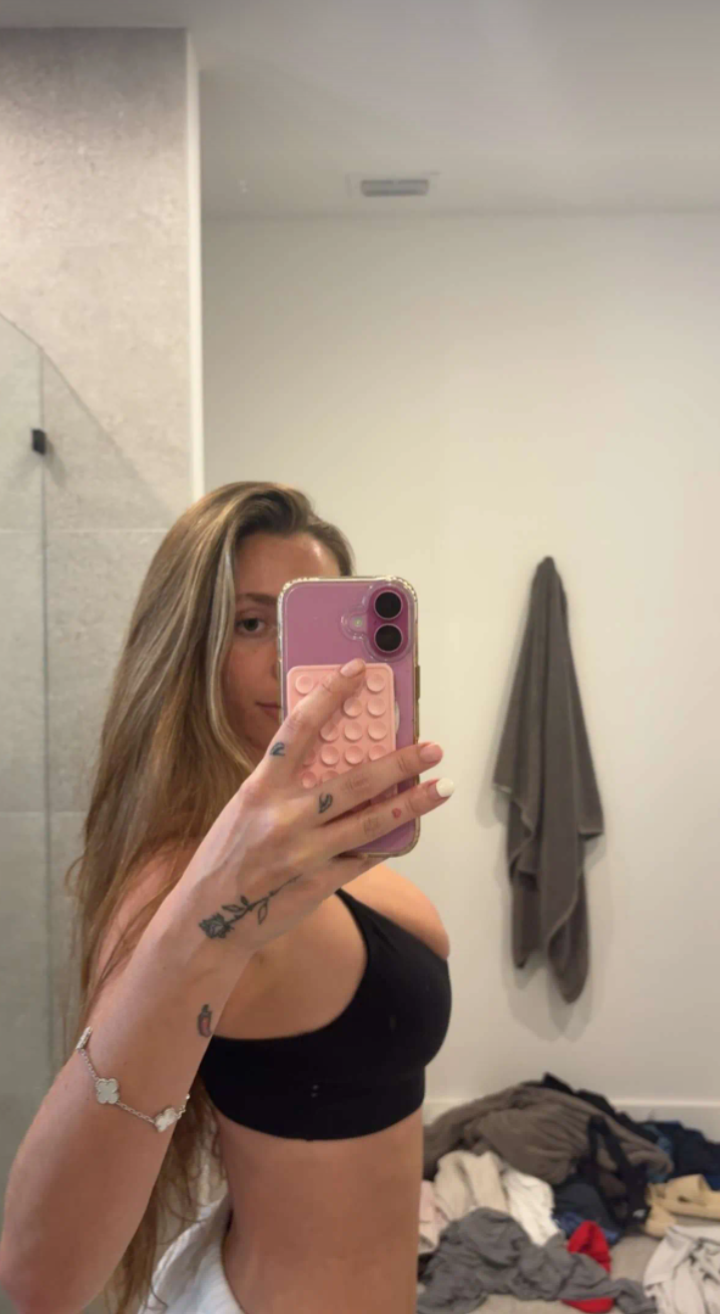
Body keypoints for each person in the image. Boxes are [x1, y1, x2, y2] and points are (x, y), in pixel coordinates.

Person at [0, 482, 455, 1314]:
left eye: (311, 625)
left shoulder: (315, 854)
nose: (287, 661)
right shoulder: (184, 885)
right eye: (251, 624)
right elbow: (38, 1280)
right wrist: (208, 917)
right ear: (188, 649)